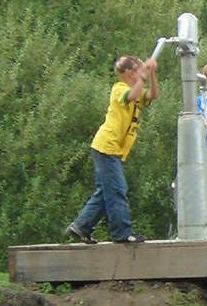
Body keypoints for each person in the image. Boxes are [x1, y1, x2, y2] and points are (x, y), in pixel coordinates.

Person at [65, 53, 158, 244]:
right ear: (130, 73)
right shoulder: (119, 89)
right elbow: (131, 96)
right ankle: (121, 233)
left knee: (104, 191)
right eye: (139, 70)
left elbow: (153, 95)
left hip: (112, 149)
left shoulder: (138, 89)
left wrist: (152, 75)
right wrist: (143, 77)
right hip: (106, 147)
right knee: (117, 189)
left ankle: (81, 226)